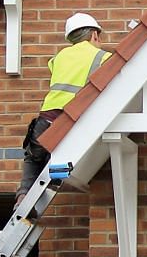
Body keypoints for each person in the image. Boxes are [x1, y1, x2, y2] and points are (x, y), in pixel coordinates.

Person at [20, 11, 121, 191]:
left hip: (46, 119)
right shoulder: (101, 57)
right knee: (61, 161)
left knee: (33, 157)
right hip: (70, 119)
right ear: (94, 34)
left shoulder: (59, 57)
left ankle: (22, 195)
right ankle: (53, 182)